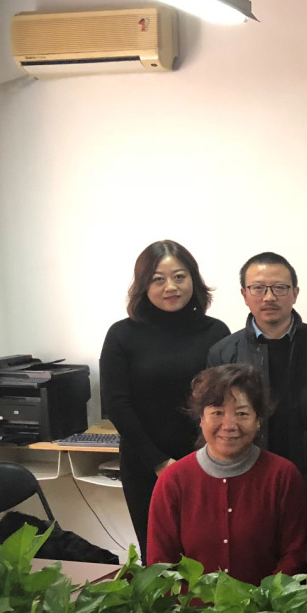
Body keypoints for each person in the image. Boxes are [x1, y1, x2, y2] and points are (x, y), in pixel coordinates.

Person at [100, 240, 230, 559]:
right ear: (143, 285)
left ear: (193, 280)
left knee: (210, 555)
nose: (170, 287)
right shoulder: (122, 335)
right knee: (158, 559)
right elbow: (116, 403)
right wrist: (159, 462)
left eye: (179, 277)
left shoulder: (216, 332)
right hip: (146, 465)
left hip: (208, 462)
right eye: (158, 279)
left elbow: (225, 401)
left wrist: (208, 458)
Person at [207, 251, 307, 509]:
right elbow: (215, 422)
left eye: (280, 288)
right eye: (258, 288)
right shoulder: (224, 353)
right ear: (244, 294)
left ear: (295, 293)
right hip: (247, 479)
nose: (269, 297)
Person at [146, 364, 307, 584]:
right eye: (217, 413)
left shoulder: (283, 476)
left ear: (258, 421)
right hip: (190, 605)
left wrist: (264, 600)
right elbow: (160, 564)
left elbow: (295, 555)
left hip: (268, 604)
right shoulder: (174, 480)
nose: (229, 425)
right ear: (201, 418)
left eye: (242, 413)